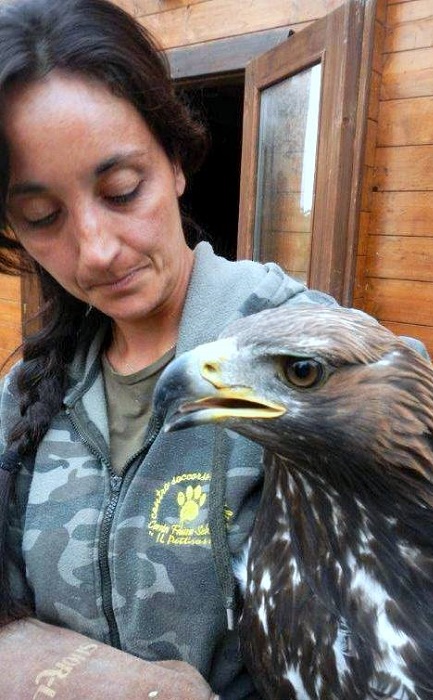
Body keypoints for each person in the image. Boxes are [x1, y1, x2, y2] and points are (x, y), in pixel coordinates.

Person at [0, 0, 340, 697]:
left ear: (177, 161)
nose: (95, 250)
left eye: (122, 191)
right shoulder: (25, 392)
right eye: (43, 217)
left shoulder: (319, 367)